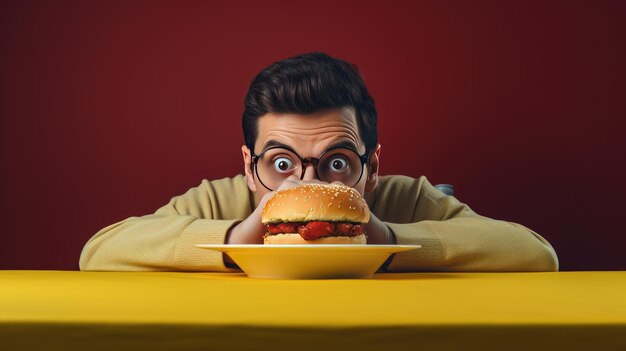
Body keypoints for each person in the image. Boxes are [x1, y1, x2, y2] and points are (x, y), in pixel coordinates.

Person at [79, 52, 558, 272]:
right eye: (281, 163)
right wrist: (238, 236)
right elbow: (99, 253)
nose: (304, 183)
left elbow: (535, 255)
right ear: (249, 167)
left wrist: (386, 238)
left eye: (336, 162)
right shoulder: (221, 198)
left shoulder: (405, 197)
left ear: (371, 167)